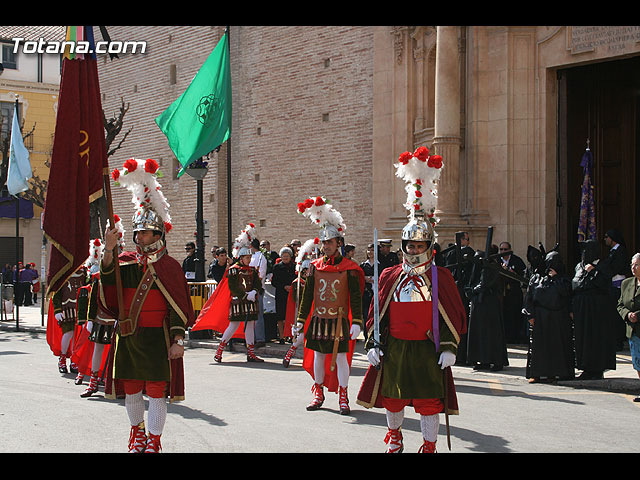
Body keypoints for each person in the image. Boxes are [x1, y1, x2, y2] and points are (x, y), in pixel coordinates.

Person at [357, 146, 466, 454]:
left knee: (429, 401)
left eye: (420, 244)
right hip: (396, 348)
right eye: (410, 244)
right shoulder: (389, 275)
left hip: (427, 348)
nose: (415, 249)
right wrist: (373, 343)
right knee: (393, 397)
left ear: (429, 246)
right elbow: (375, 313)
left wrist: (449, 347)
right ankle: (394, 436)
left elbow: (454, 314)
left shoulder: (440, 278)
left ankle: (429, 444)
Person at [101, 157, 195, 453]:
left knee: (156, 392)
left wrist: (178, 339)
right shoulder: (125, 262)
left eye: (147, 233)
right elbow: (108, 284)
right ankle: (136, 433)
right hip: (129, 335)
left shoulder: (170, 267)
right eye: (138, 233)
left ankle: (154, 440)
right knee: (131, 390)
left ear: (159, 234)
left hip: (158, 337)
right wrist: (108, 250)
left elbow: (178, 307)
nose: (141, 238)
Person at [295, 195, 364, 415]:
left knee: (342, 358)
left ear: (339, 244)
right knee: (318, 355)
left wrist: (358, 322)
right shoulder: (314, 266)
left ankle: (343, 394)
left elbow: (356, 296)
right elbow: (307, 297)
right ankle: (318, 391)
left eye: (330, 242)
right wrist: (300, 320)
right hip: (318, 319)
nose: (326, 246)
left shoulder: (349, 268)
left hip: (340, 319)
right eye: (324, 242)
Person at [523, 251, 575, 383]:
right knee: (539, 347)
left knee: (556, 346)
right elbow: (529, 296)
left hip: (558, 317)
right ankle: (537, 373)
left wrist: (556, 278)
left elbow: (566, 294)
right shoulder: (537, 278)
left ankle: (556, 373)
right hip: (540, 317)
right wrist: (530, 315)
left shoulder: (564, 279)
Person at [571, 239, 617, 380]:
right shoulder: (579, 266)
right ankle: (584, 367)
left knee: (594, 339)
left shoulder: (603, 265)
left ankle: (596, 369)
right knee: (581, 338)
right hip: (581, 308)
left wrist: (593, 272)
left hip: (596, 310)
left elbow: (605, 285)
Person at [466, 246, 509, 371]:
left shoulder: (493, 267)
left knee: (492, 333)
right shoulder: (478, 269)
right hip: (479, 304)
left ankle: (496, 361)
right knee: (479, 333)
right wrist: (471, 291)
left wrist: (476, 289)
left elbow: (488, 283)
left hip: (491, 304)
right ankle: (482, 359)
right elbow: (474, 282)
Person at [47, 264, 89, 374]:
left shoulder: (84, 271)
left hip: (80, 307)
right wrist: (57, 309)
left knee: (77, 335)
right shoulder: (63, 271)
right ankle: (62, 358)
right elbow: (56, 291)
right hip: (67, 307)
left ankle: (74, 360)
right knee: (68, 333)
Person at [444, 231, 474, 365]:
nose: (467, 242)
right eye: (466, 239)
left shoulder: (461, 252)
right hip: (459, 291)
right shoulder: (454, 253)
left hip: (458, 291)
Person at [616, 253, 640, 402]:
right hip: (633, 330)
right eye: (632, 265)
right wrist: (627, 314)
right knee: (638, 362)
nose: (633, 268)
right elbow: (620, 304)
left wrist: (637, 314)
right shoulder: (627, 283)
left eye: (636, 265)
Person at [603, 229, 630, 350]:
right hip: (612, 285)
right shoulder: (612, 252)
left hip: (618, 286)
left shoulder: (620, 251)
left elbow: (617, 268)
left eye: (606, 237)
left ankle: (619, 340)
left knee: (617, 314)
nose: (605, 239)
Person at [499, 241, 527, 344]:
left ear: (510, 250)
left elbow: (523, 275)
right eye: (501, 249)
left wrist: (511, 272)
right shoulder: (497, 260)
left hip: (514, 293)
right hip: (502, 293)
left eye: (505, 249)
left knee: (514, 315)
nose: (503, 251)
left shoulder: (517, 260)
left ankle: (514, 337)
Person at [271, 246, 297, 344]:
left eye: (287, 256)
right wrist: (283, 287)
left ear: (290, 257)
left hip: (291, 294)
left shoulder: (294, 267)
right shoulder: (277, 267)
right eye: (283, 256)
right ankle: (282, 337)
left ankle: (290, 336)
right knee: (280, 316)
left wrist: (291, 287)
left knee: (289, 316)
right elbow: (274, 282)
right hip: (281, 294)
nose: (285, 258)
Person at [360, 243, 380, 343]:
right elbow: (359, 278)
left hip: (377, 294)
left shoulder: (380, 265)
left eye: (372, 250)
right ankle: (367, 335)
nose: (370, 252)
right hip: (367, 294)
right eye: (368, 250)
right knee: (366, 314)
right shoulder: (363, 265)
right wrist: (365, 279)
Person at [250, 236, 268, 345]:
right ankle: (252, 337)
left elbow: (261, 274)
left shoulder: (261, 257)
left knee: (258, 314)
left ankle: (260, 338)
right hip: (250, 288)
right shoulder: (252, 257)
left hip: (257, 288)